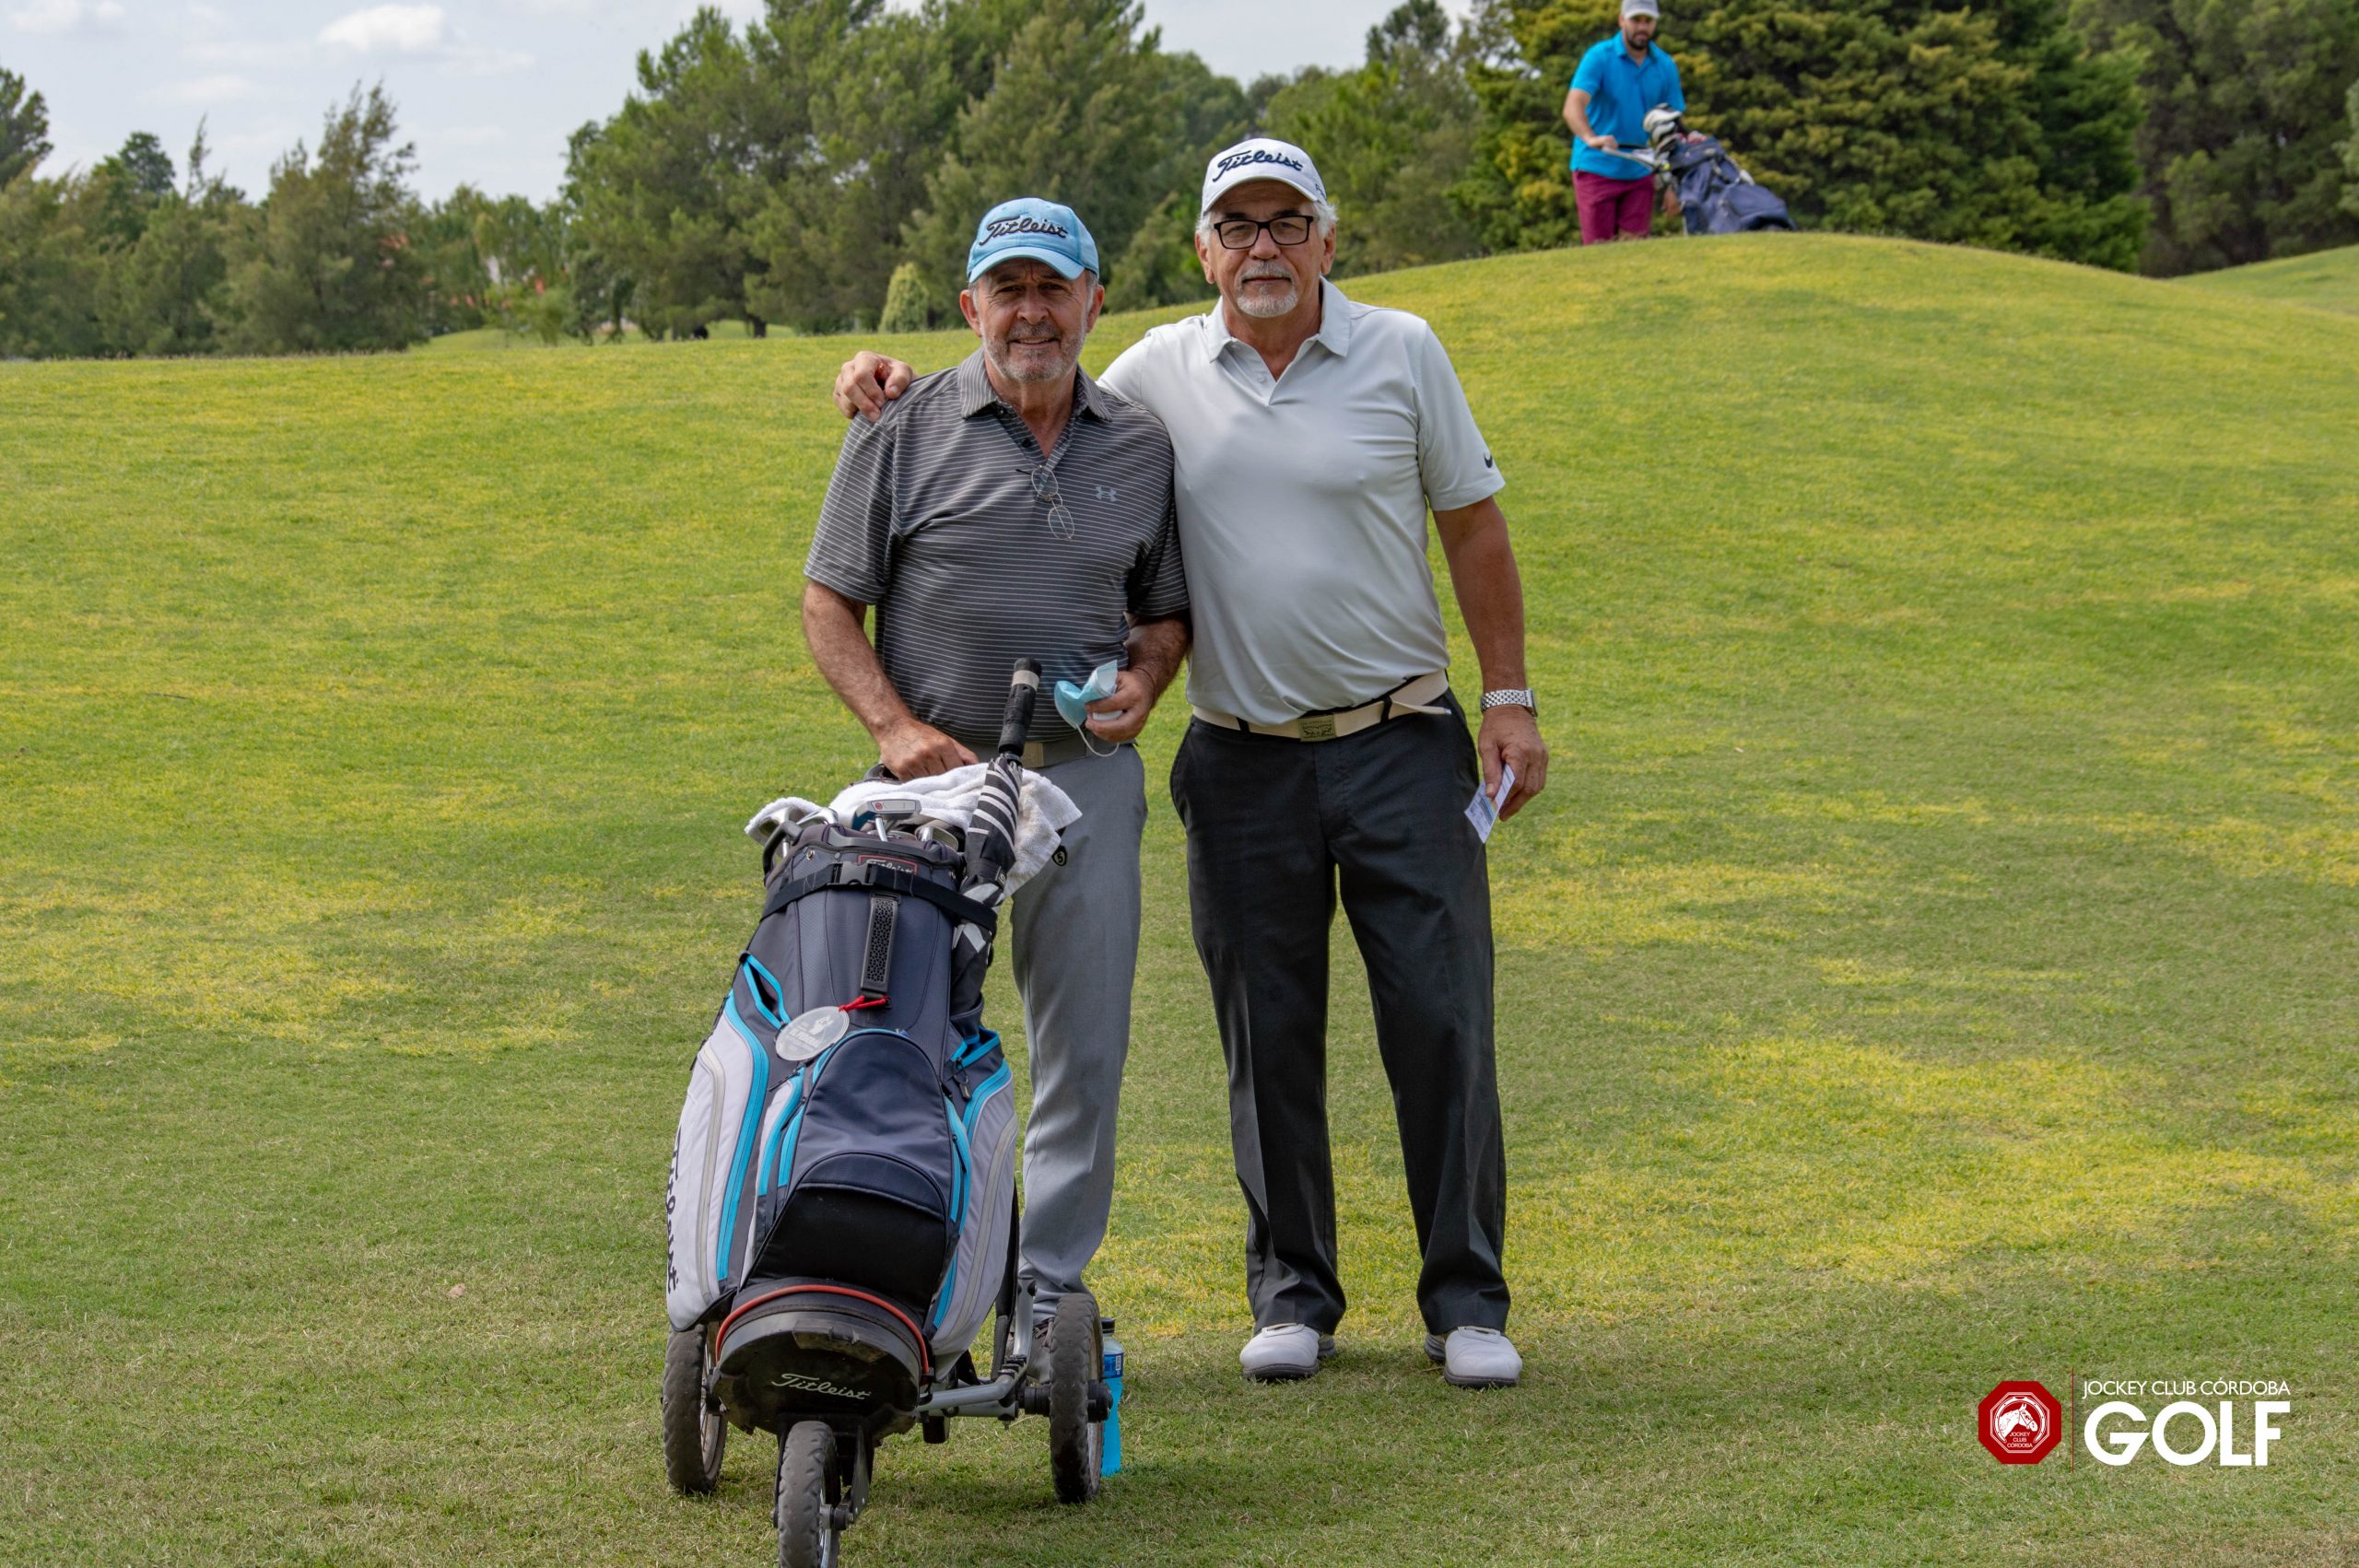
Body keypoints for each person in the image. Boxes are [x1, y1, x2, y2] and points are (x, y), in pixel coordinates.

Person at [832, 141, 1547, 1391]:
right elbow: (1022, 379)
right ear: (1204, 251)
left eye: (1287, 222)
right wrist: (880, 376)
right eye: (1239, 226)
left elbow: (1474, 526)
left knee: (1442, 1020)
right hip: (1242, 757)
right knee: (1265, 1034)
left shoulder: (1402, 350)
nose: (1263, 247)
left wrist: (1509, 696)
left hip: (1402, 737)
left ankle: (1465, 1299)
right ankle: (1294, 1294)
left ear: (1327, 239)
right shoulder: (1158, 371)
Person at [800, 196, 1190, 1328]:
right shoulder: (896, 423)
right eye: (1007, 290)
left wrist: (1147, 680)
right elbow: (828, 605)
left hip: (1083, 776)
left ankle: (1043, 1289)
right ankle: (894, 1265)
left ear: (1093, 302)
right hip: (929, 788)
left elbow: (1163, 613)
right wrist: (892, 731)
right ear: (970, 306)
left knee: (1083, 1048)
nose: (1031, 313)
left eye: (1052, 288)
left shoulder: (1142, 443)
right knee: (893, 1031)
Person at [1565, 0, 1684, 243]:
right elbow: (1572, 107)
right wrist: (1590, 138)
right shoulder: (1599, 57)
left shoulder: (1665, 65)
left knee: (1634, 251)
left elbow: (1674, 128)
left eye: (1648, 21)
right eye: (1636, 20)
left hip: (1640, 169)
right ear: (1622, 20)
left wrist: (1673, 183)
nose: (1642, 27)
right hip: (1596, 167)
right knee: (1599, 251)